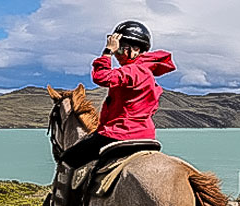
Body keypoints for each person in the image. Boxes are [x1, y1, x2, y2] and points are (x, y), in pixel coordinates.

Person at [56, 20, 176, 168]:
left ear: (136, 49)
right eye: (116, 50)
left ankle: (68, 192)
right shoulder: (147, 72)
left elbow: (101, 76)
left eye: (119, 50)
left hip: (119, 134)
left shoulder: (133, 70)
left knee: (67, 160)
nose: (117, 55)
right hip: (146, 136)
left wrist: (107, 52)